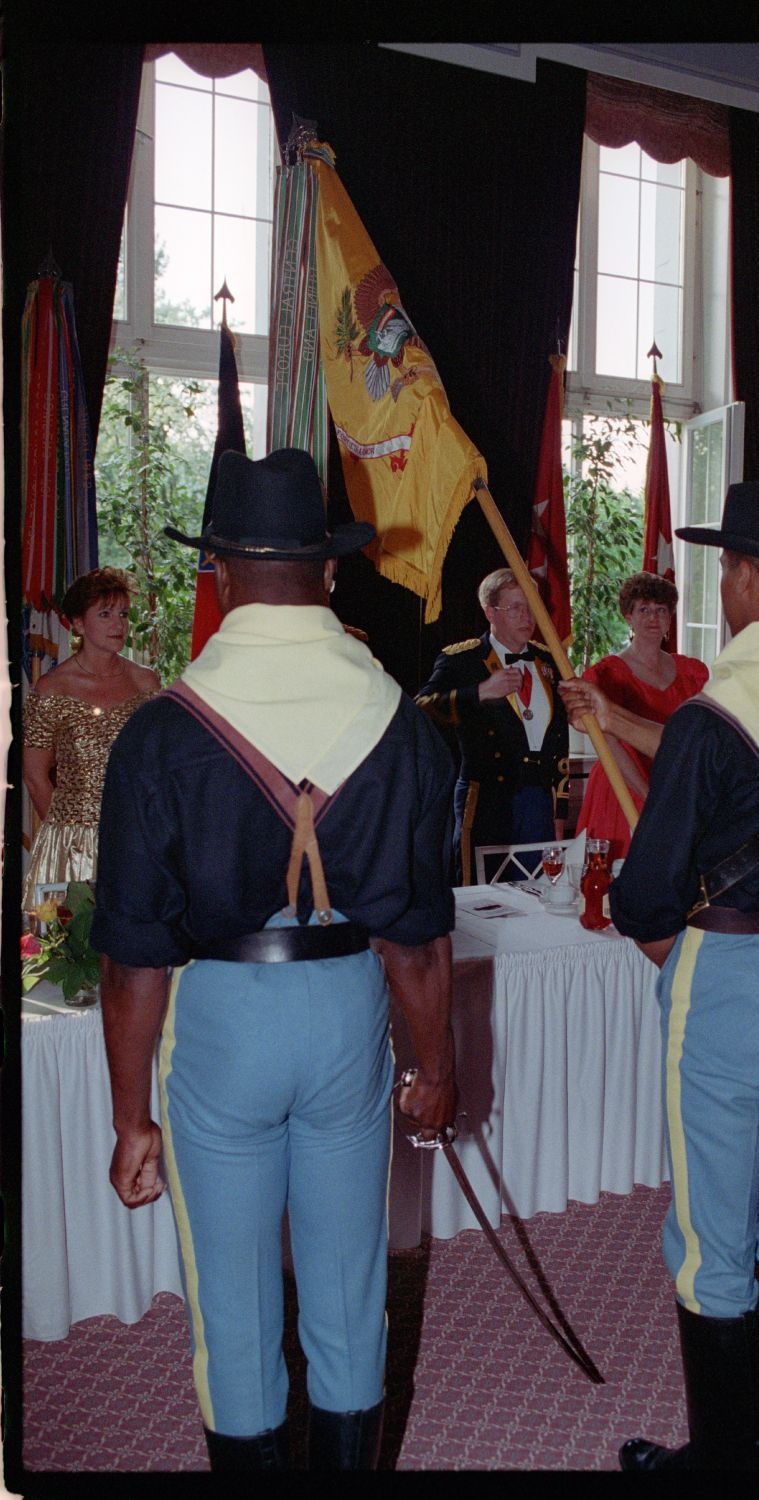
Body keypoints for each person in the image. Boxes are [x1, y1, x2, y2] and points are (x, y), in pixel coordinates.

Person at [90, 448, 458, 1473]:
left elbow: (132, 958)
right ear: (329, 572)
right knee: (350, 1289)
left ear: (219, 573)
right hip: (347, 1008)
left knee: (235, 1306)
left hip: (222, 1022)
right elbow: (419, 945)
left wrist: (130, 1120)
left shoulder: (160, 733)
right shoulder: (402, 724)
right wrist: (435, 1071)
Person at [564, 481, 759, 1472]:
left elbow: (646, 891)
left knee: (710, 1238)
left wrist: (663, 941)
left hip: (727, 979)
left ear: (743, 577)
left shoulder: (713, 715)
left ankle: (719, 1462)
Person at [416, 567, 568, 884]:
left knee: (539, 890)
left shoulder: (550, 660)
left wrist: (560, 811)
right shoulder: (463, 659)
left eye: (532, 607)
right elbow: (420, 710)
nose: (527, 616)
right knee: (484, 890)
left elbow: (560, 740)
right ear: (490, 612)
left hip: (539, 798)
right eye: (516, 607)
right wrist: (481, 692)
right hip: (488, 796)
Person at [22, 566, 160, 906]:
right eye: (105, 614)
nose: (119, 624)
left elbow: (160, 765)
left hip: (137, 837)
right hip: (71, 845)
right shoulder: (52, 688)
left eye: (124, 614)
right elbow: (35, 776)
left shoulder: (147, 683)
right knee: (73, 951)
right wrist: (66, 833)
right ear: (78, 624)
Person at [576, 572, 708, 861]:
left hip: (674, 789)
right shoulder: (606, 674)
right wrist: (648, 797)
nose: (653, 618)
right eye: (644, 609)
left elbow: (705, 736)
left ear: (670, 618)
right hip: (621, 786)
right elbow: (607, 743)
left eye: (661, 610)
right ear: (628, 616)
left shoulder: (693, 672)